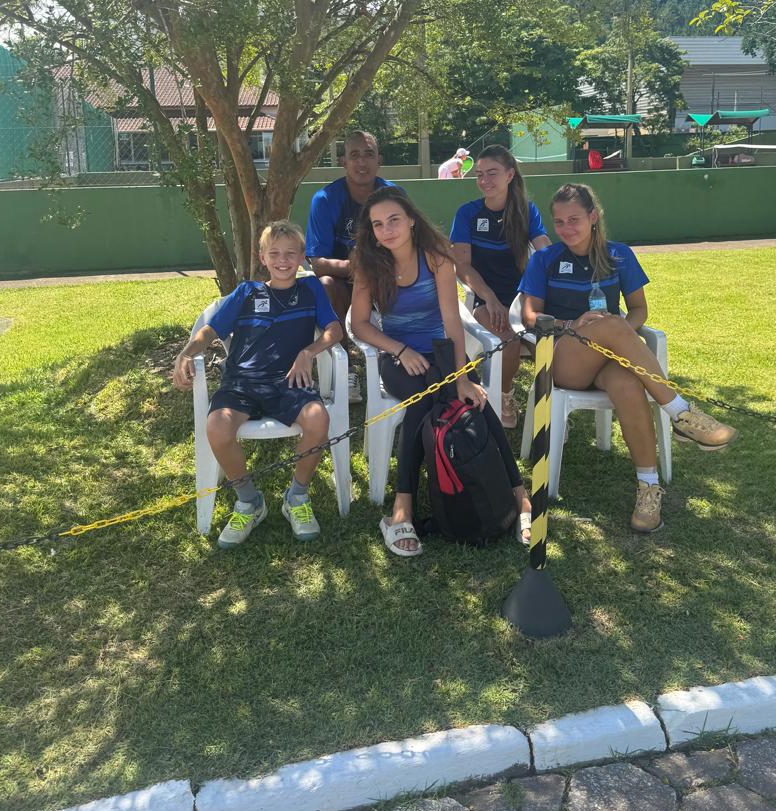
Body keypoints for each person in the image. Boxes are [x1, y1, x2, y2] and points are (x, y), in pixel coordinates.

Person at [520, 183, 738, 534]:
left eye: (574, 219)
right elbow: (530, 315)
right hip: (564, 358)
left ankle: (648, 488)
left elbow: (638, 311)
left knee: (627, 383)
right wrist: (574, 324)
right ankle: (680, 413)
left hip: (608, 359)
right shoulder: (545, 259)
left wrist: (619, 332)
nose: (565, 228)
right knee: (610, 324)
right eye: (558, 222)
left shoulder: (619, 255)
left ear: (593, 217)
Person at [350, 189, 533, 556]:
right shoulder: (369, 265)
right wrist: (400, 350)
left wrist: (462, 376)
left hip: (442, 353)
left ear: (411, 220)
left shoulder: (436, 257)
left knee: (476, 399)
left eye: (394, 220)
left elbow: (452, 320)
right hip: (398, 357)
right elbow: (360, 324)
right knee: (422, 399)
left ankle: (519, 496)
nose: (387, 230)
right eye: (378, 224)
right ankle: (403, 507)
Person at [172, 221, 342, 548]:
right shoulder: (247, 292)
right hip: (242, 382)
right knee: (217, 428)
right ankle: (250, 501)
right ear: (262, 257)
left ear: (302, 257)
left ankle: (297, 497)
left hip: (289, 380)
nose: (283, 260)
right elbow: (210, 330)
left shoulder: (311, 289)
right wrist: (187, 352)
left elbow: (334, 330)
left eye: (290, 254)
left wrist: (308, 352)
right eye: (274, 253)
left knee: (318, 420)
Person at [450, 145, 550, 428]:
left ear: (509, 175)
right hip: (485, 300)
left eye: (492, 173)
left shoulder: (527, 211)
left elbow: (545, 253)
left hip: (524, 302)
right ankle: (503, 394)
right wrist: (491, 298)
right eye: (479, 174)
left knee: (555, 339)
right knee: (509, 339)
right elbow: (462, 266)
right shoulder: (468, 213)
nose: (484, 180)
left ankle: (550, 406)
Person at [305, 129, 398, 402]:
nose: (362, 162)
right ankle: (344, 368)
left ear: (379, 160)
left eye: (369, 154)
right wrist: (356, 268)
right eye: (354, 155)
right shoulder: (325, 199)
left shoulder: (394, 195)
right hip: (343, 279)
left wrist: (375, 271)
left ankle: (391, 362)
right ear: (343, 161)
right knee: (325, 285)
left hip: (385, 277)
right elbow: (318, 263)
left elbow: (409, 248)